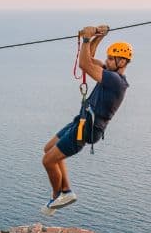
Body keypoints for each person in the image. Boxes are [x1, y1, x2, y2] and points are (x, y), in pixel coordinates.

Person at [41, 25, 132, 215]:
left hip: (87, 128)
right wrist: (97, 38)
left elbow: (84, 64)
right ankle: (64, 192)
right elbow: (89, 59)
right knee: (48, 149)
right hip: (82, 120)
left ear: (122, 61)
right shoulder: (111, 73)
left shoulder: (115, 81)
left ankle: (59, 195)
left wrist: (86, 39)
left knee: (48, 161)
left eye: (110, 58)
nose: (106, 61)